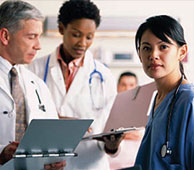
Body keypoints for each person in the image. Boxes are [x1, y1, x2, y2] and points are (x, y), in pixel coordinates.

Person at [28, 0, 118, 169]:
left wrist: (112, 146)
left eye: (89, 37)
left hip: (90, 164)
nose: (83, 43)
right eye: (76, 34)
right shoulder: (35, 69)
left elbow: (109, 127)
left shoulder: (104, 76)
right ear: (62, 28)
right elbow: (26, 121)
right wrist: (55, 121)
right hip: (48, 163)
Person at [0, 1, 66, 169]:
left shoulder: (36, 84)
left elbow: (50, 135)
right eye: (31, 37)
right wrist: (1, 154)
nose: (38, 46)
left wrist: (52, 160)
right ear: (5, 36)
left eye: (39, 36)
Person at [134, 15, 194, 170]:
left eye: (163, 47)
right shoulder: (158, 98)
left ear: (182, 52)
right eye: (146, 48)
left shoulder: (190, 100)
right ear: (139, 54)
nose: (153, 55)